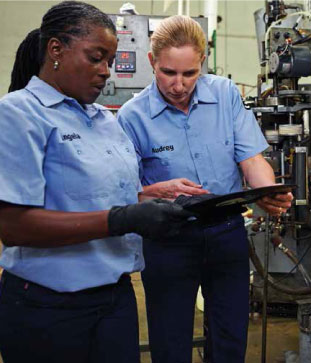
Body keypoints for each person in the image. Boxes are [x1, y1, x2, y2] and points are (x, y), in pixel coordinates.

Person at [0, 4, 194, 363]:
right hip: (48, 308)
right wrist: (123, 219)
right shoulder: (18, 114)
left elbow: (96, 193)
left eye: (110, 60)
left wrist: (152, 203)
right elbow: (13, 226)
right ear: (56, 50)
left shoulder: (104, 120)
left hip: (115, 298)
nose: (106, 72)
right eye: (96, 58)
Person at [117, 15, 294, 363]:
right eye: (169, 72)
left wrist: (267, 192)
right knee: (171, 341)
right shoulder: (131, 117)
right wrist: (157, 190)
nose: (179, 85)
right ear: (152, 62)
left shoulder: (225, 94)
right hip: (168, 241)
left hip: (225, 235)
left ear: (203, 63)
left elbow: (251, 159)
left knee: (230, 337)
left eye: (190, 74)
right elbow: (126, 193)